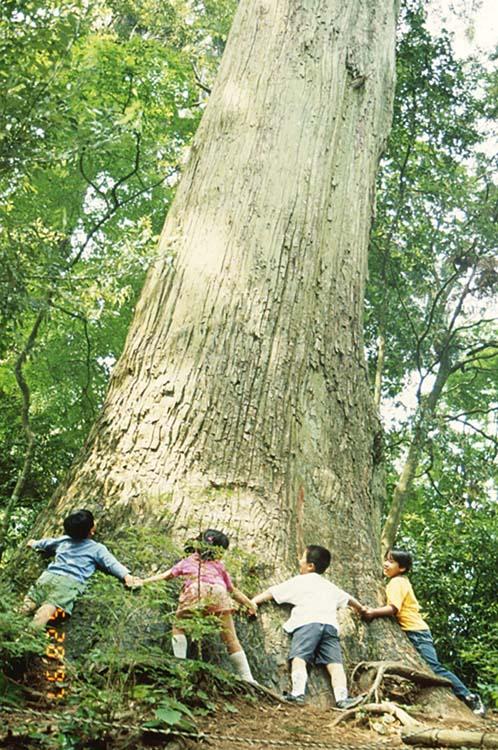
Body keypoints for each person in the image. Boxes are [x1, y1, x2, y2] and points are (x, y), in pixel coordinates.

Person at [362, 549, 485, 716]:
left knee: (434, 667)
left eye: (391, 562)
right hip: (413, 631)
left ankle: (469, 697)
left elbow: (393, 608)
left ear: (402, 568)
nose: (385, 563)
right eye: (386, 560)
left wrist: (373, 612)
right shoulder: (399, 581)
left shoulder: (397, 582)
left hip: (416, 631)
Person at [251, 544, 366, 709]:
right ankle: (342, 698)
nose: (299, 561)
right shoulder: (329, 586)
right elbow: (348, 599)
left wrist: (254, 601)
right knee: (335, 664)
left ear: (310, 566)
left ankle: (298, 693)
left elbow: (273, 592)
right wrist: (361, 609)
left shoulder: (300, 581)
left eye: (302, 558)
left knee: (299, 658)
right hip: (329, 626)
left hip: (308, 623)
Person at [138, 529, 257, 682]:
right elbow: (232, 590)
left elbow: (166, 576)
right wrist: (249, 603)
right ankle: (248, 678)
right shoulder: (219, 566)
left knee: (179, 626)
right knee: (231, 639)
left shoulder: (188, 561)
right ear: (219, 552)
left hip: (196, 591)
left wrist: (143, 581)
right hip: (219, 593)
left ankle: (180, 665)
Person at [22, 509, 139, 627]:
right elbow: (111, 563)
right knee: (47, 609)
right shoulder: (97, 549)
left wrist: (34, 543)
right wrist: (126, 576)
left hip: (48, 576)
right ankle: (28, 636)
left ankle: (9, 626)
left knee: (30, 602)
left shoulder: (63, 540)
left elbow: (47, 543)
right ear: (91, 531)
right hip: (69, 582)